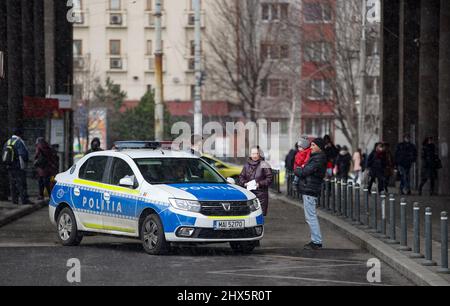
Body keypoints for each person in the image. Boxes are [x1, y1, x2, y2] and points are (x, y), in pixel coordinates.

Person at [295, 138, 327, 250]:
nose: (311, 147)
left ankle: (317, 241)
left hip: (310, 189)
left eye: (313, 145)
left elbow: (305, 171)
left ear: (319, 147)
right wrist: (301, 169)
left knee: (311, 217)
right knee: (310, 216)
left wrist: (298, 170)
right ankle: (316, 240)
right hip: (310, 188)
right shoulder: (317, 158)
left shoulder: (318, 159)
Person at [239, 147, 273, 216]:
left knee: (260, 214)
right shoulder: (246, 165)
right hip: (249, 194)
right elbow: (241, 176)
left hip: (261, 194)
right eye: (253, 153)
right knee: (249, 214)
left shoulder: (264, 164)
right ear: (250, 154)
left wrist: (259, 184)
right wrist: (244, 183)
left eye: (256, 153)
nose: (254, 155)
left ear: (259, 154)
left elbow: (270, 178)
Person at [2, 128, 32, 205]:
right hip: (18, 166)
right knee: (21, 183)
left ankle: (14, 200)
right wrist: (23, 165)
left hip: (9, 166)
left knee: (12, 184)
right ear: (20, 134)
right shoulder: (19, 142)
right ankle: (24, 200)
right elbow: (22, 155)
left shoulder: (8, 141)